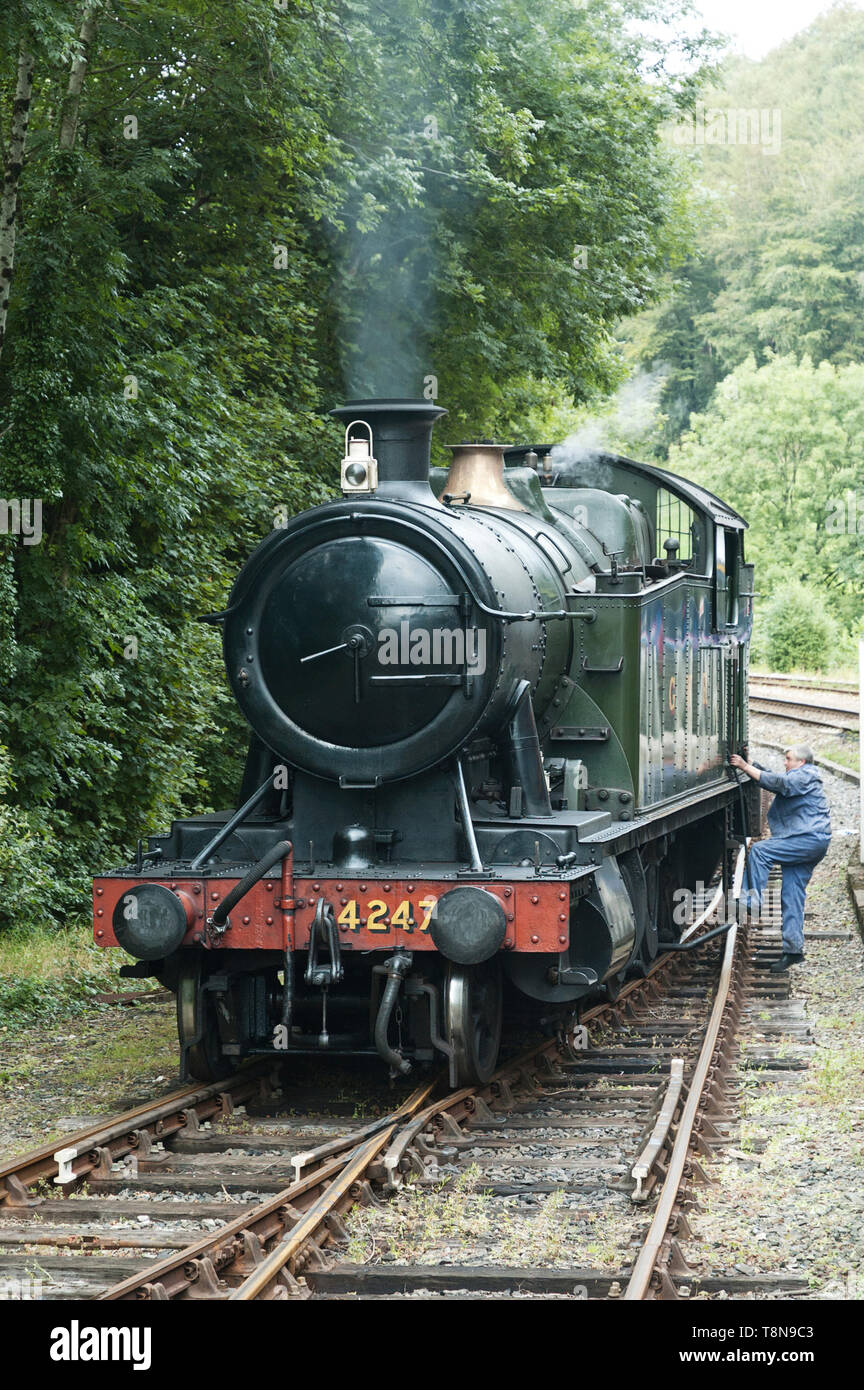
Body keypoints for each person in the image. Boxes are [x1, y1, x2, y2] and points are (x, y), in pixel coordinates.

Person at [729, 745, 832, 972]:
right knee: (792, 895)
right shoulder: (801, 777)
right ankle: (793, 951)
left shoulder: (805, 774)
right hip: (812, 841)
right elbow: (775, 779)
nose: (785, 763)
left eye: (788, 759)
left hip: (807, 839)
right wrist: (751, 765)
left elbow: (780, 783)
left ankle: (751, 901)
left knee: (760, 851)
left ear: (801, 762)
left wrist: (745, 766)